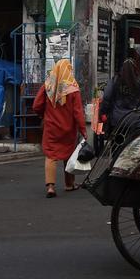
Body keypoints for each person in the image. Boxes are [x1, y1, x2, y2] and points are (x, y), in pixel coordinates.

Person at [32, 59, 87, 198]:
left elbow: (36, 106)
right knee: (68, 156)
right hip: (68, 129)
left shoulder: (48, 86)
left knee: (51, 155)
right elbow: (78, 113)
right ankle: (69, 184)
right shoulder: (73, 89)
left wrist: (43, 114)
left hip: (51, 127)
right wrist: (83, 130)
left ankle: (50, 186)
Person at [99, 58, 140, 139]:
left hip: (118, 122)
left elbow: (107, 96)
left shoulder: (115, 80)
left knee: (117, 148)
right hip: (136, 122)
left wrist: (103, 112)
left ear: (122, 69)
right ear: (136, 69)